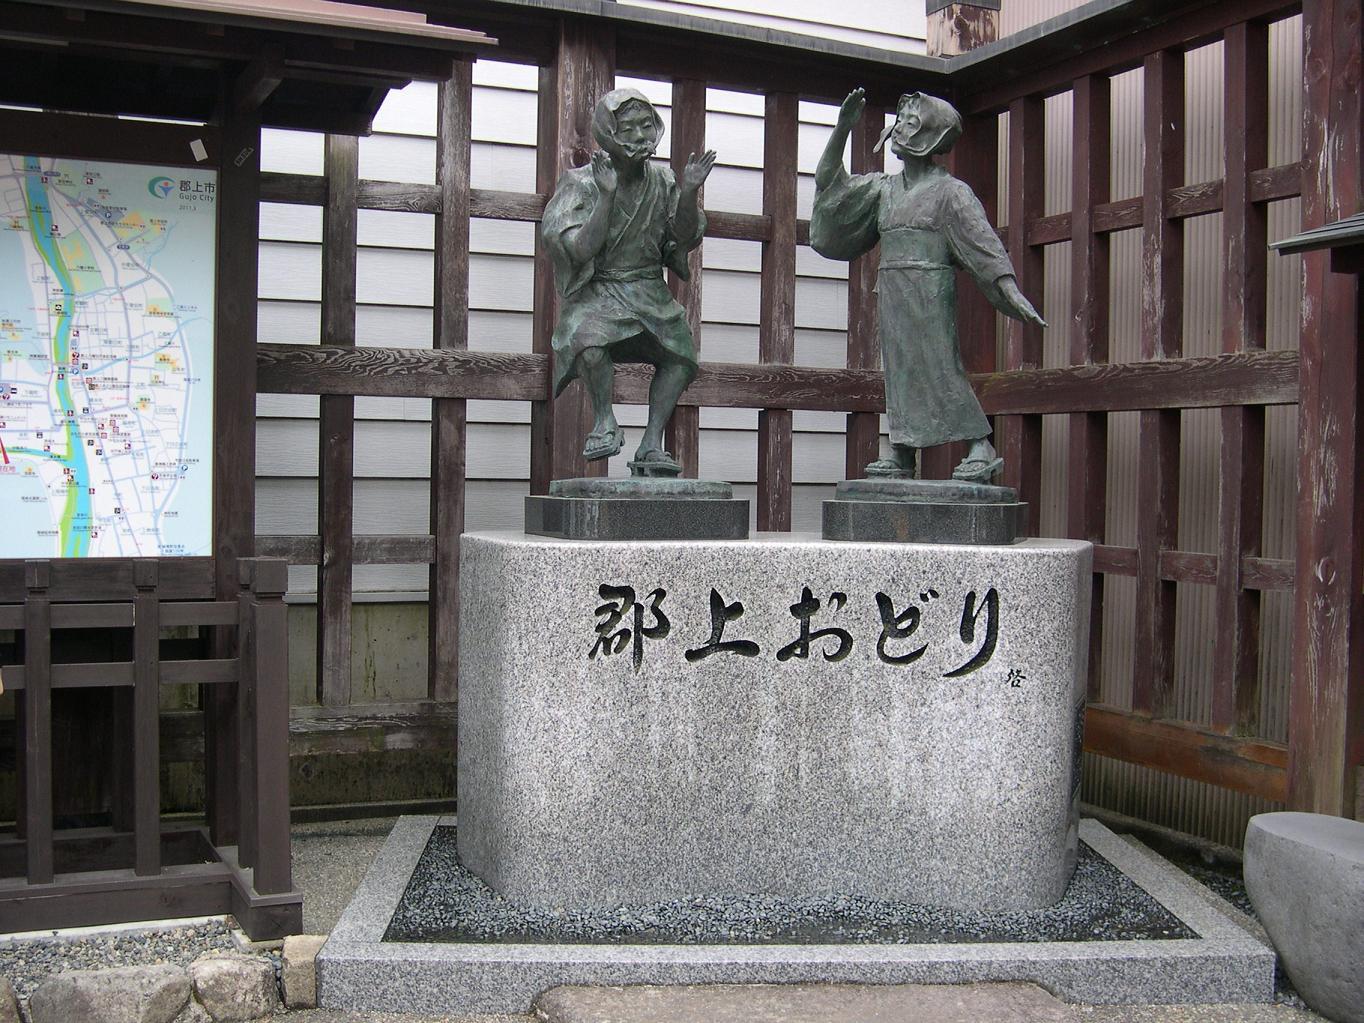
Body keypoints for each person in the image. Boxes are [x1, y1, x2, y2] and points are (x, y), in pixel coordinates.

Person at [811, 88, 1046, 482]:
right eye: (900, 121)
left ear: (929, 137)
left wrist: (1008, 290)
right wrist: (842, 129)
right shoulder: (883, 188)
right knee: (899, 372)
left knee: (940, 365)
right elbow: (828, 183)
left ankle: (979, 443)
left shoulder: (952, 192)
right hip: (893, 292)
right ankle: (903, 449)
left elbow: (983, 245)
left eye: (909, 122)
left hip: (930, 291)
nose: (899, 129)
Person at [542, 87, 717, 476]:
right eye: (628, 128)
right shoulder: (582, 183)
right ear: (608, 133)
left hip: (649, 289)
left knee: (681, 356)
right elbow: (579, 250)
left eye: (645, 125)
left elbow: (684, 236)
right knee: (587, 339)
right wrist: (605, 197)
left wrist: (689, 192)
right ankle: (604, 420)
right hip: (600, 291)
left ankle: (651, 443)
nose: (640, 136)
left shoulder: (663, 180)